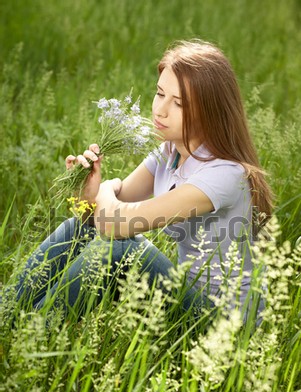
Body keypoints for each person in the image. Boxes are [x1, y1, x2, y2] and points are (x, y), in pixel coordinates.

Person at [15, 39, 273, 324]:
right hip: (186, 298)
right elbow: (105, 212)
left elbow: (119, 224)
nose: (160, 110)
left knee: (124, 248)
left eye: (178, 103)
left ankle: (29, 331)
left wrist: (108, 189)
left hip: (223, 324)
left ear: (210, 112)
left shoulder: (225, 173)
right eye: (160, 94)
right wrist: (90, 194)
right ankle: (7, 316)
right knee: (80, 228)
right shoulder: (169, 151)